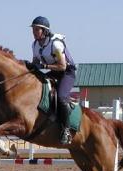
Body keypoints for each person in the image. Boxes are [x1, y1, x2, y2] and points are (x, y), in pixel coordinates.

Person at [27, 16, 76, 145]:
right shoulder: (35, 45)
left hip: (67, 73)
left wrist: (44, 66)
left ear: (44, 31)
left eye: (36, 30)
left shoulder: (55, 44)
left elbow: (62, 66)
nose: (33, 32)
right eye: (33, 29)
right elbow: (35, 63)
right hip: (54, 72)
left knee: (60, 97)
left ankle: (66, 130)